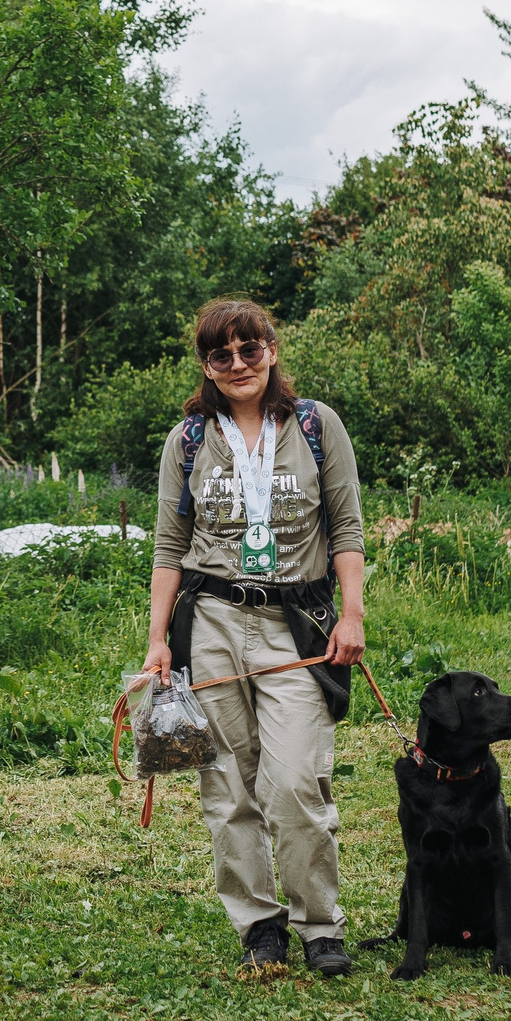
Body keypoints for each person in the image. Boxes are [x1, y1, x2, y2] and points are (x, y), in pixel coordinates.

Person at [140, 299, 367, 979]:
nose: (238, 364)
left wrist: (353, 615)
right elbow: (169, 546)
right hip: (211, 622)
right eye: (221, 355)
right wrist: (158, 639)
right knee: (226, 786)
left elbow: (347, 527)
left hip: (297, 624)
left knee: (296, 782)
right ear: (206, 365)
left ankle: (320, 925)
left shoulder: (316, 426)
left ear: (271, 348)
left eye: (249, 349)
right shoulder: (187, 440)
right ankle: (259, 925)